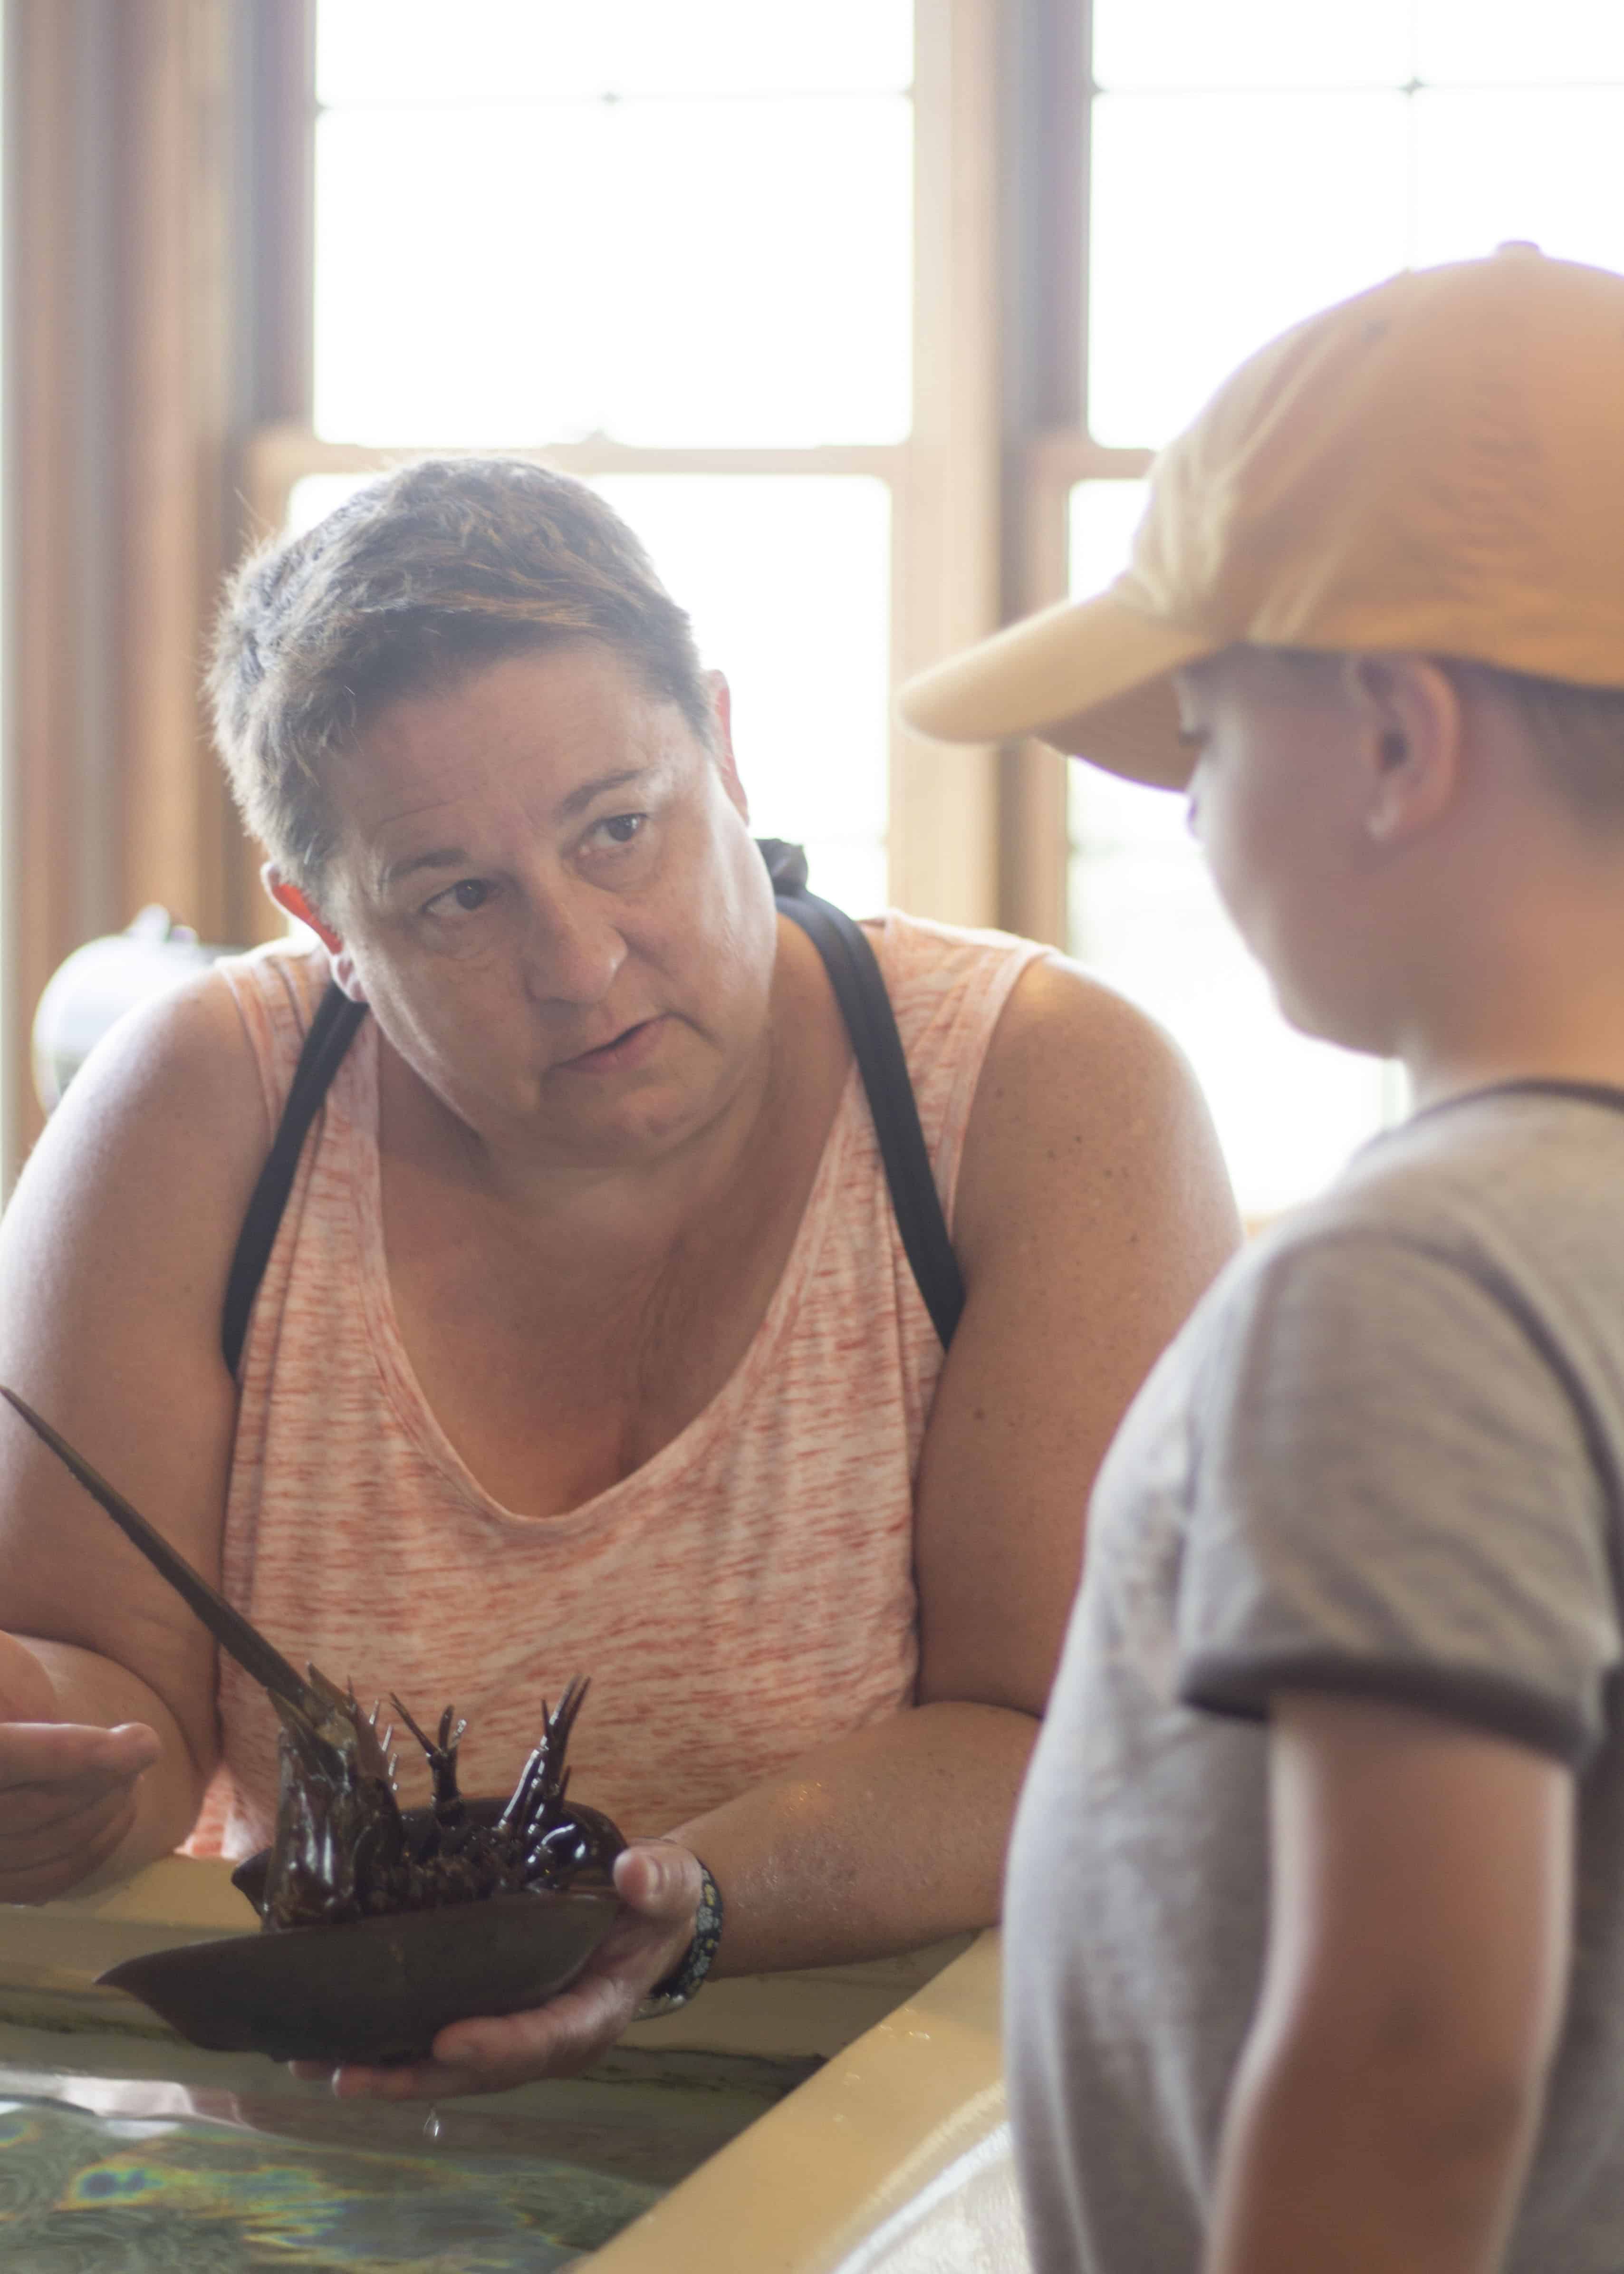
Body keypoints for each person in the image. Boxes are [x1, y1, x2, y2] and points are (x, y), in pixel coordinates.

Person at [0, 457, 1238, 2100]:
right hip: (321, 2144)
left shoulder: (1042, 1095)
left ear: (721, 746)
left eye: (618, 831)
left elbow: (1055, 1731)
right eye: (456, 898)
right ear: (324, 927)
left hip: (910, 2117)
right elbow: (117, 1706)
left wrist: (669, 1914)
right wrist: (57, 1763)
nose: (577, 963)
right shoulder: (192, 1110)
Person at [900, 243, 1624, 2274]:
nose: (1197, 816)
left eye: (1204, 733)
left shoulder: (1412, 1283)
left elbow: (1414, 2044)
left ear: (1397, 740)